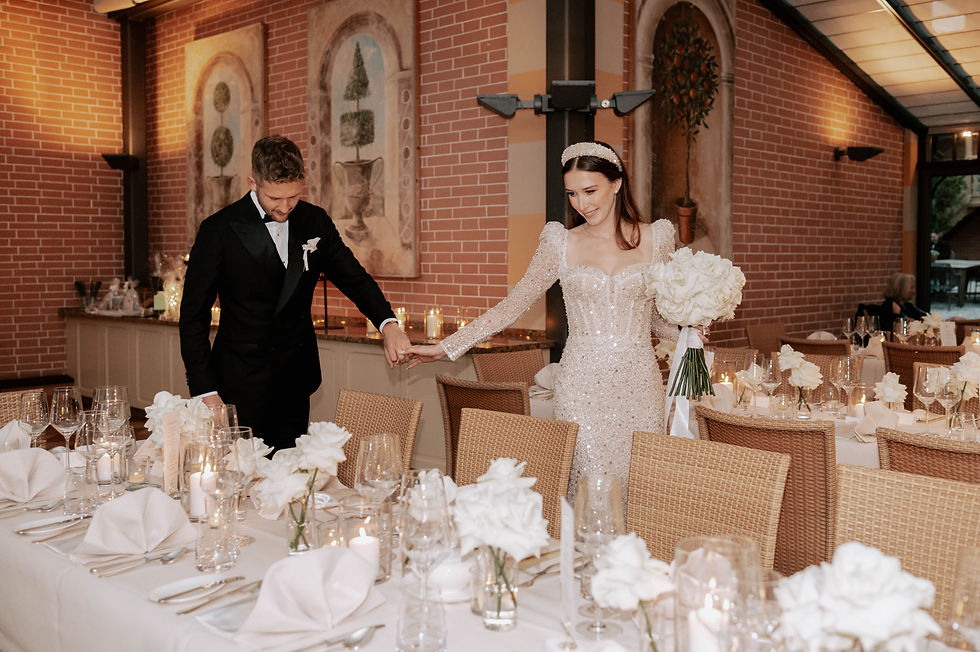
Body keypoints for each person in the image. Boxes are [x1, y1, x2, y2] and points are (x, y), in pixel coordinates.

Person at [405, 141, 679, 499]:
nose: (582, 204)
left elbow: (657, 319)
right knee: (589, 492)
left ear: (616, 182)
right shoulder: (560, 242)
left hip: (640, 386)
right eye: (572, 194)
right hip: (581, 386)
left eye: (590, 190)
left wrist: (691, 329)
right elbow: (513, 304)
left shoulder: (657, 238)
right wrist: (445, 347)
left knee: (642, 491)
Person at [179, 135, 411, 450]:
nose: (286, 207)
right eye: (275, 198)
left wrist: (388, 324)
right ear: (253, 183)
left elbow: (353, 277)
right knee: (243, 476)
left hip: (294, 377)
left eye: (293, 196)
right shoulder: (219, 229)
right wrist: (205, 390)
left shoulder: (313, 220)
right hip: (238, 380)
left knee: (288, 477)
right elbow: (193, 315)